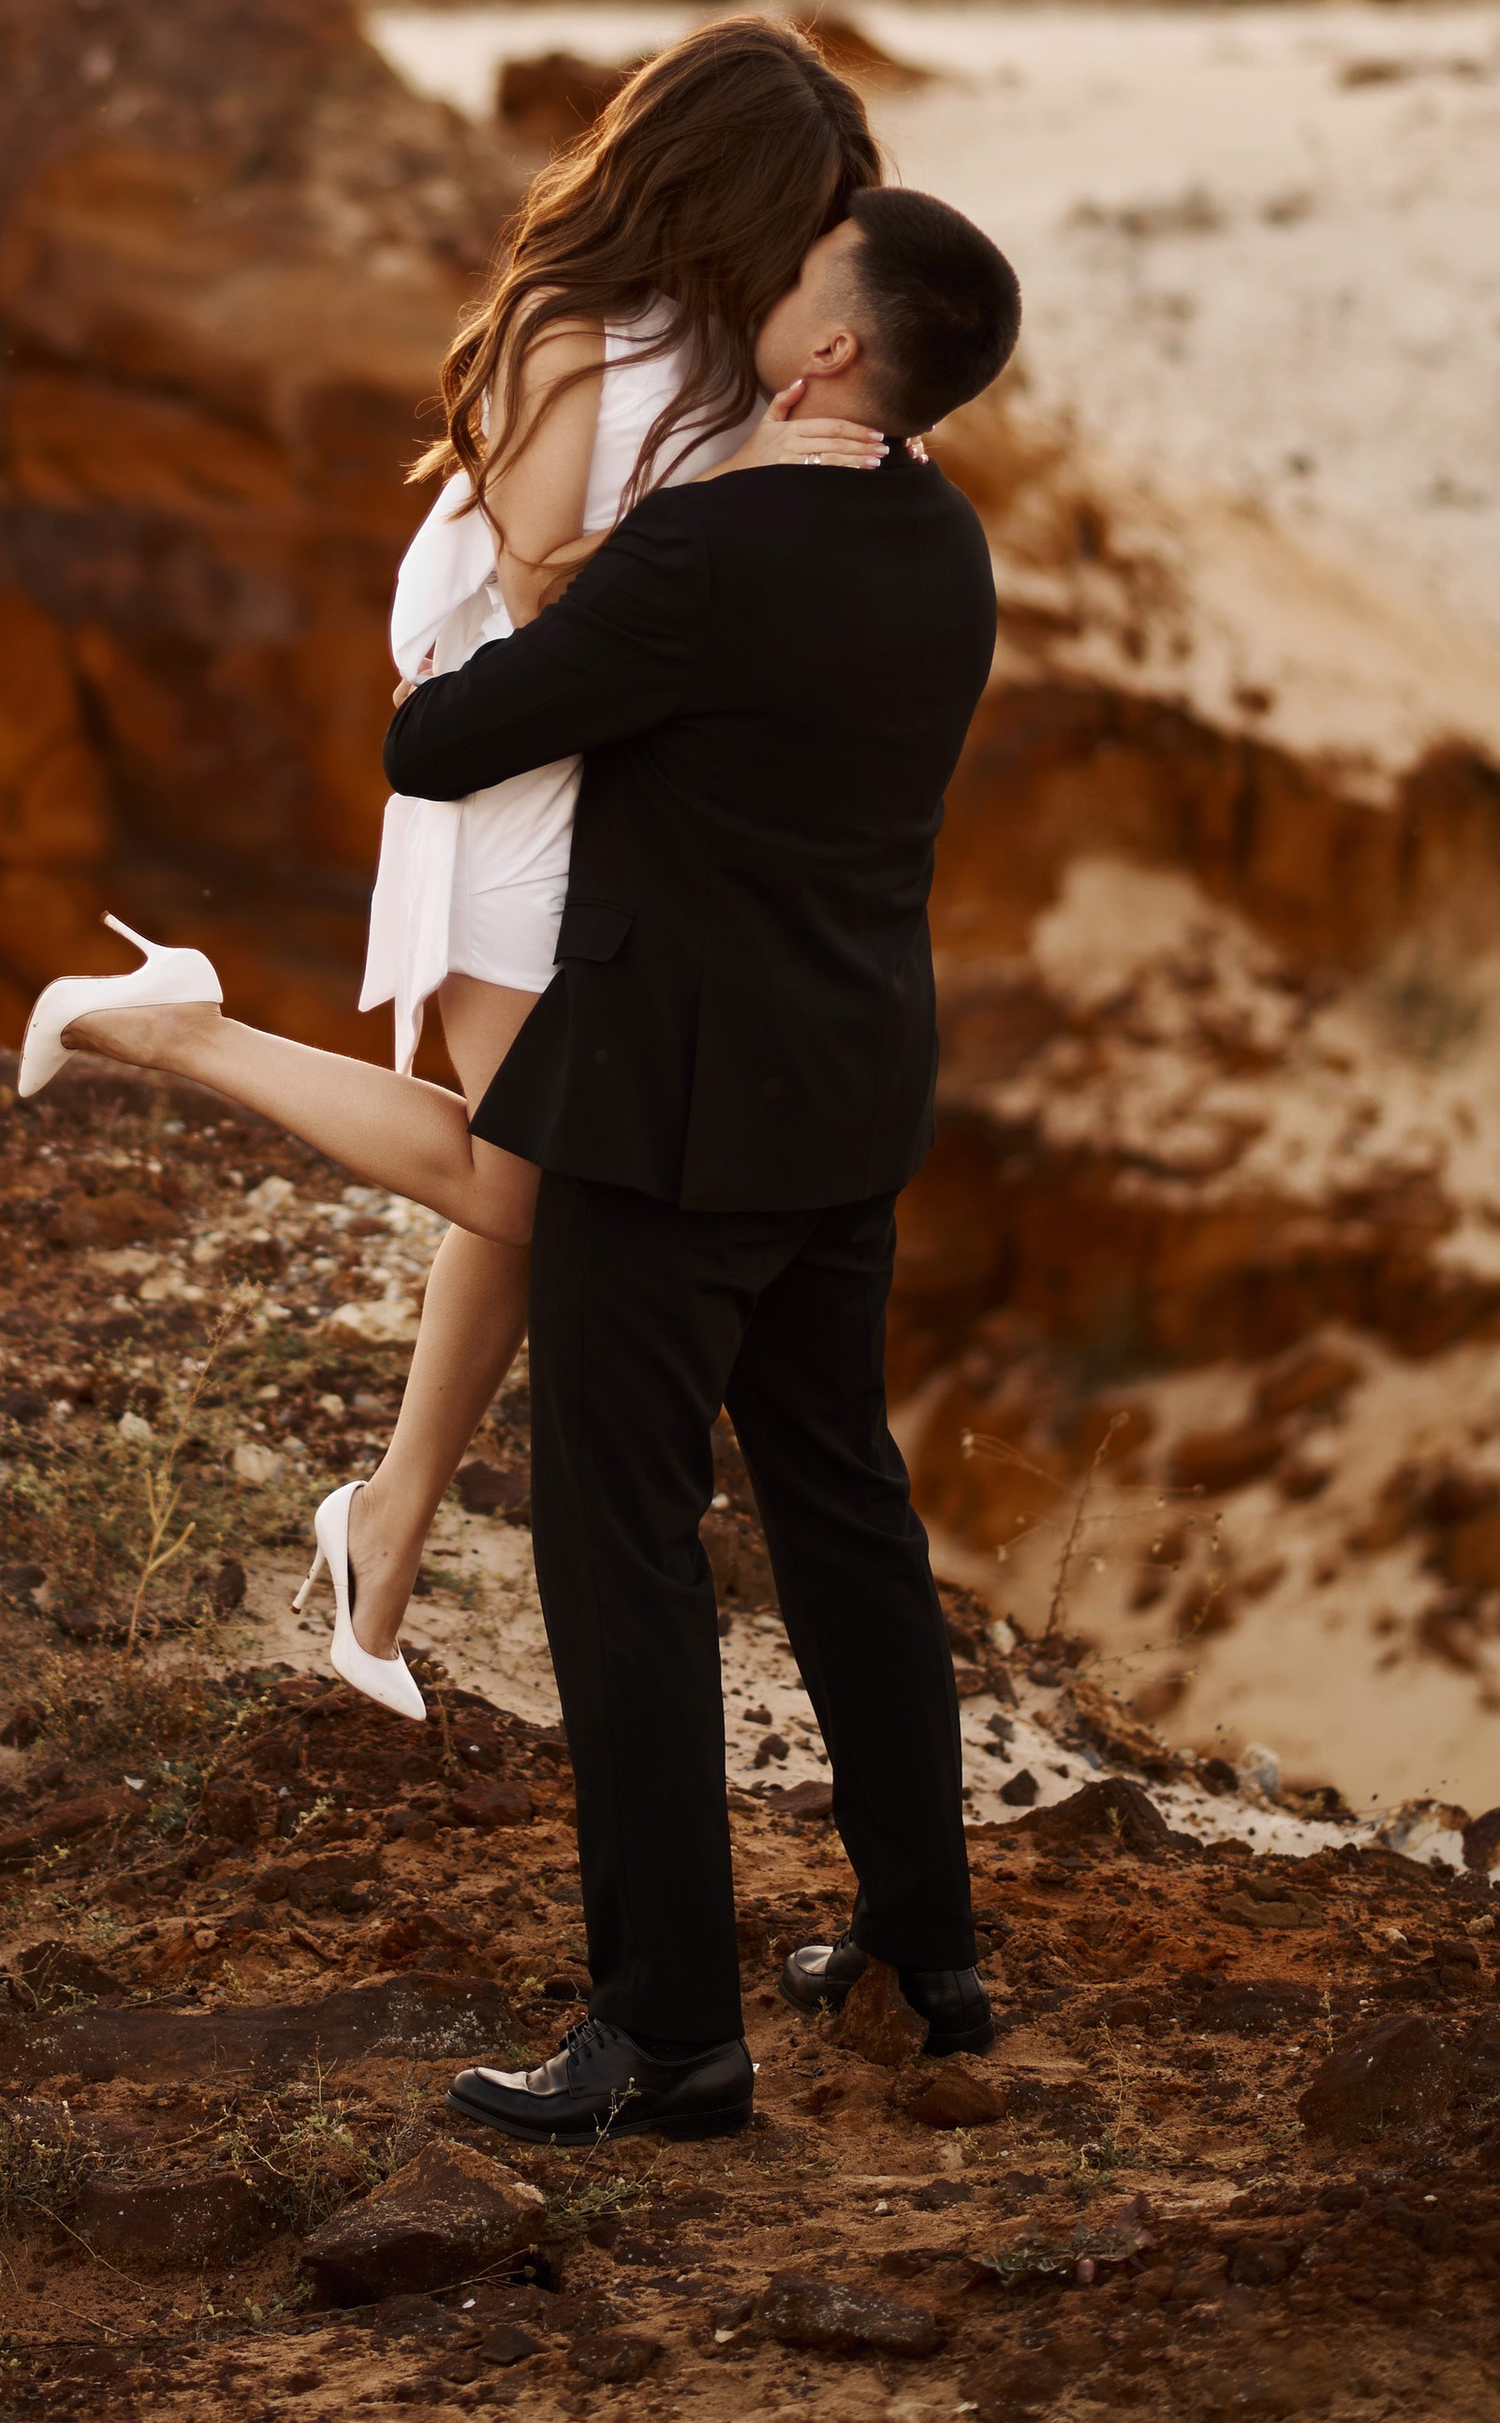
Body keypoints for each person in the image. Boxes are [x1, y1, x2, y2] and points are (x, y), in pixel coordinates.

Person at [19, 18, 889, 1719]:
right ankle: (178, 1029)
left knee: (535, 1171)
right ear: (719, 191)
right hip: (510, 783)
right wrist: (755, 484)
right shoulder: (569, 325)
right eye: (800, 213)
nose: (813, 251)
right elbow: (546, 578)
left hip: (630, 790)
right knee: (533, 1186)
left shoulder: (736, 345)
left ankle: (383, 1537)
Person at [383, 183, 1025, 2145]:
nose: (772, 278)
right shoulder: (944, 541)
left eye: (803, 272)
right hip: (846, 1098)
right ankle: (926, 1950)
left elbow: (443, 743)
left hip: (666, 1129)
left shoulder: (705, 547)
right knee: (844, 1515)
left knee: (620, 1554)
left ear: (828, 346)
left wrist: (548, 587)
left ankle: (667, 2034)